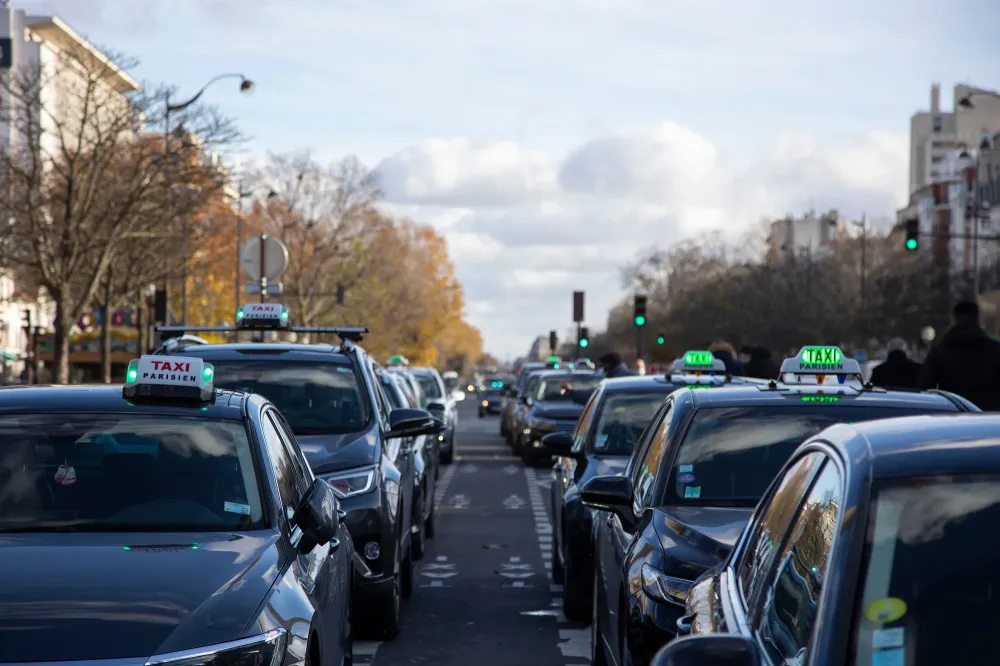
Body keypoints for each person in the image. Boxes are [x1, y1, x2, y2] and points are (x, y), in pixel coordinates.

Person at [917, 300, 1000, 410]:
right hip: (989, 419)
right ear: (978, 321)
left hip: (952, 416)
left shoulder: (940, 351)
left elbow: (924, 389)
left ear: (954, 320)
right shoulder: (995, 350)